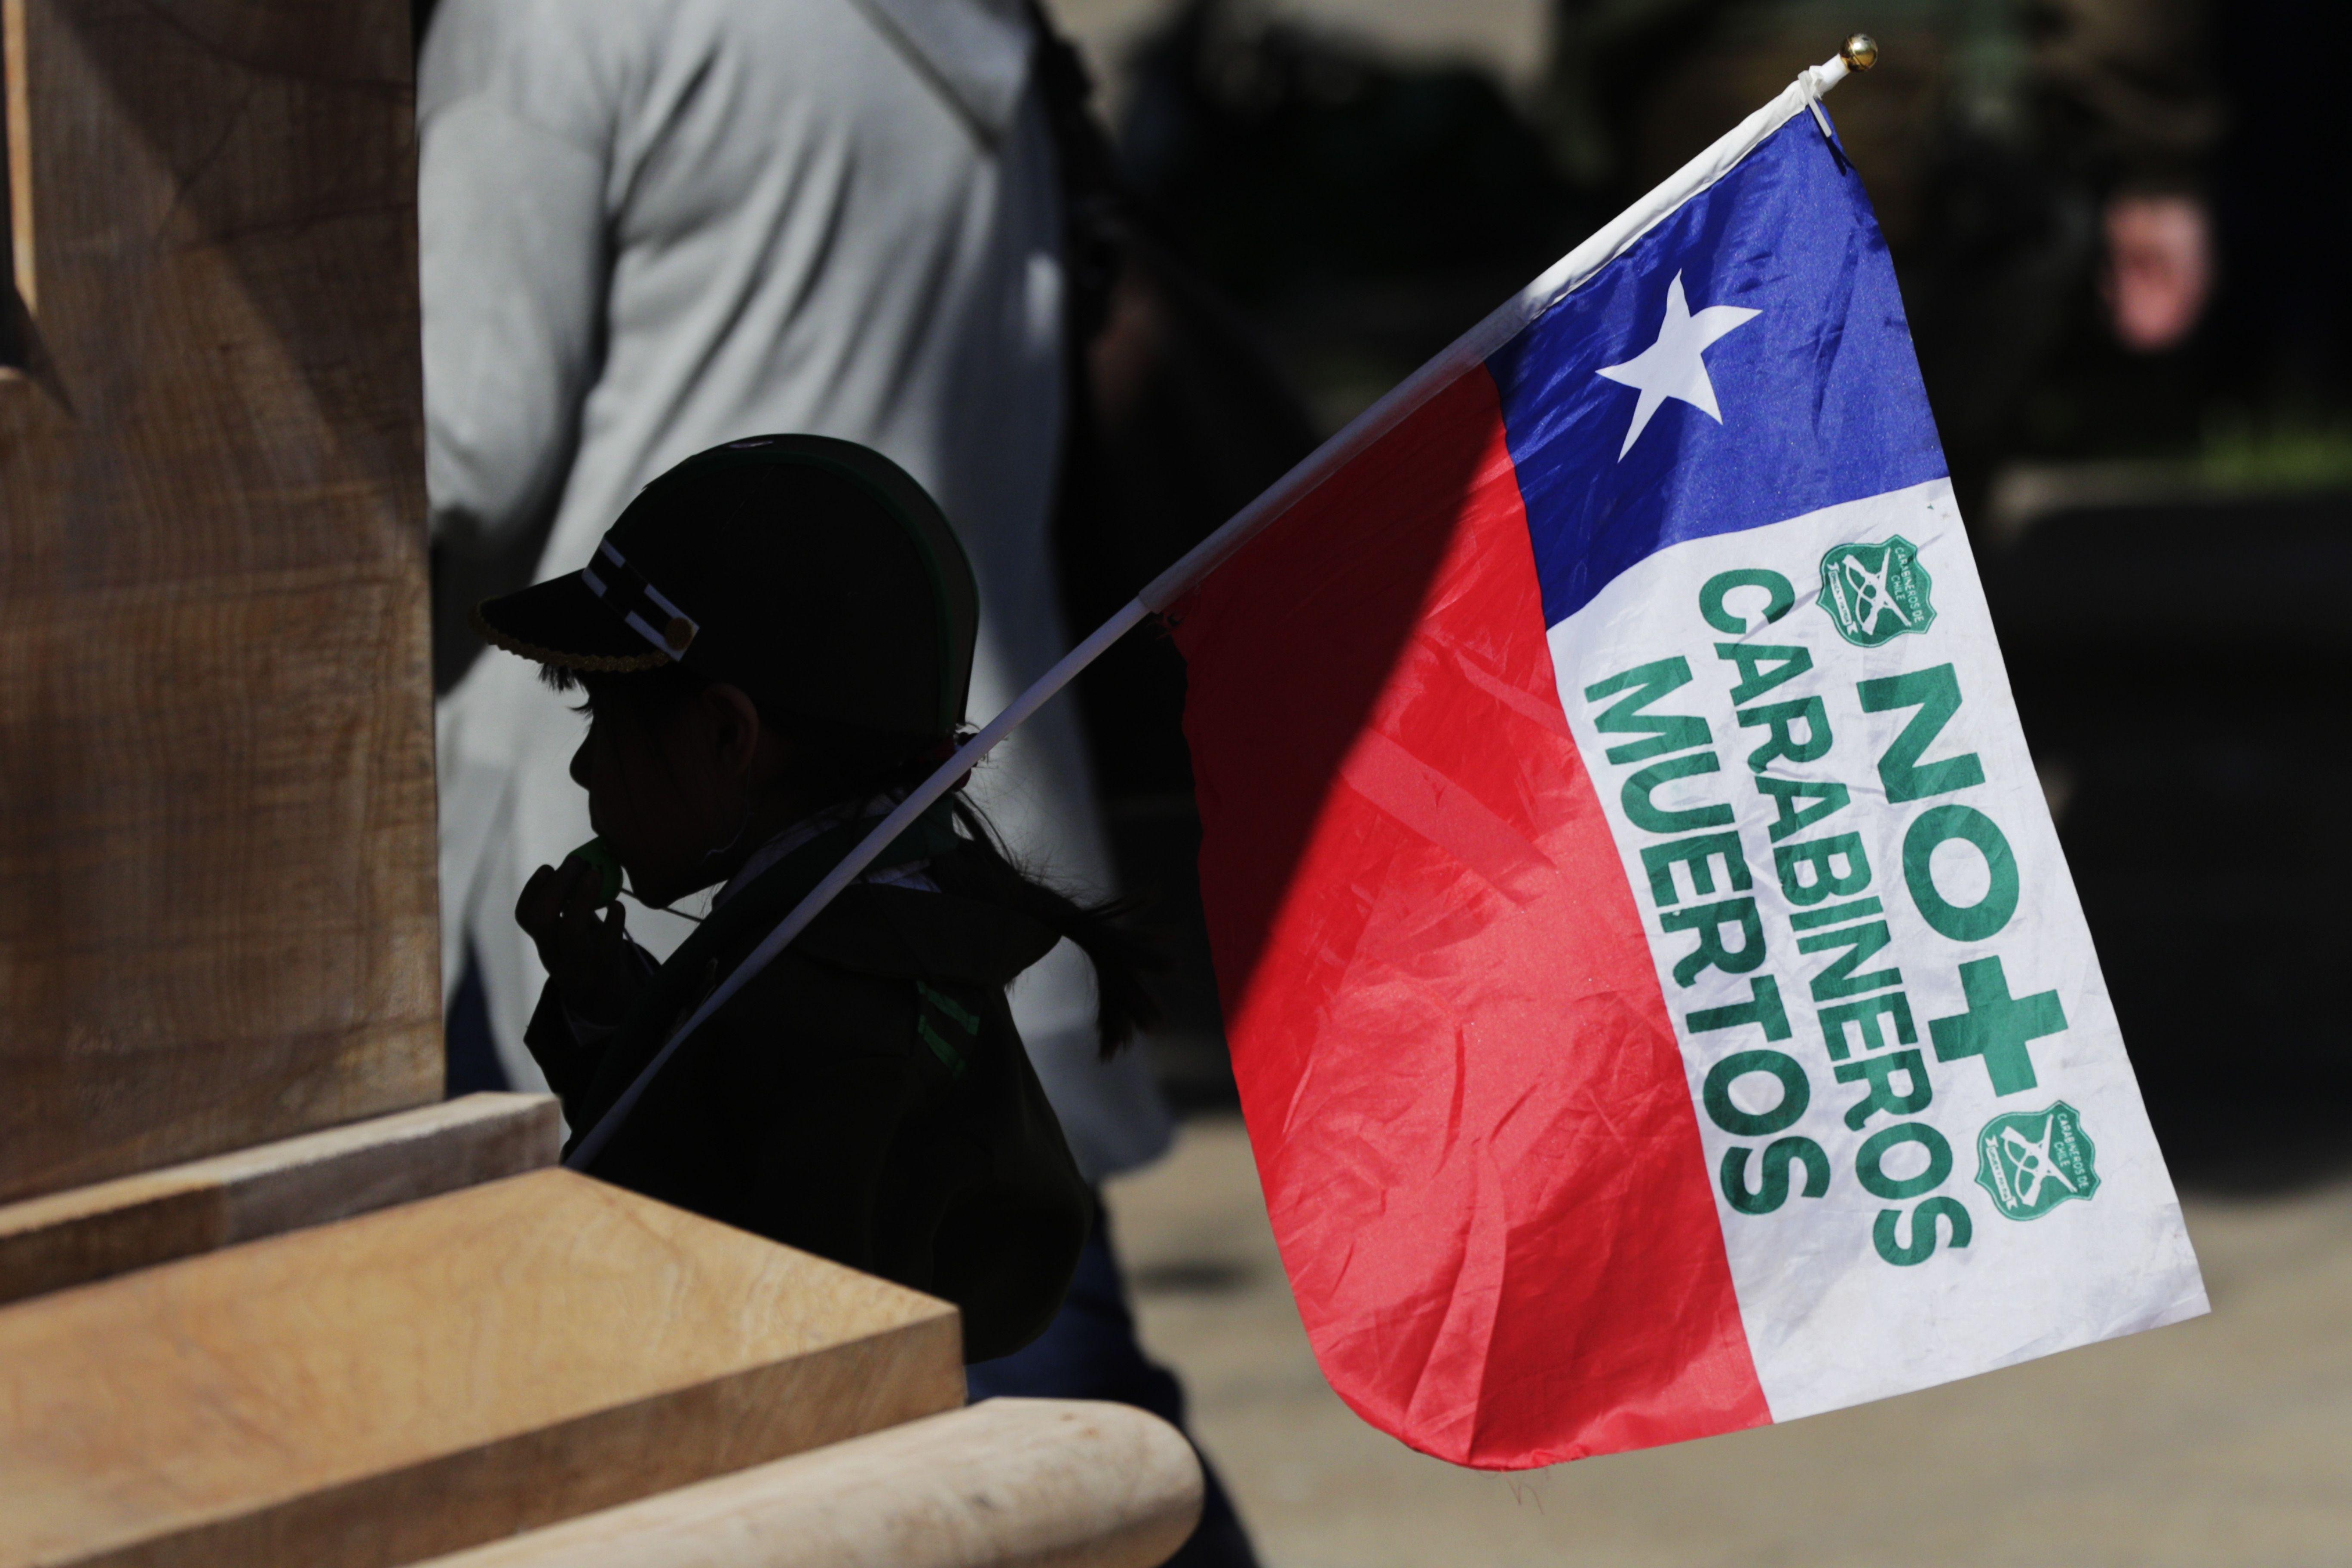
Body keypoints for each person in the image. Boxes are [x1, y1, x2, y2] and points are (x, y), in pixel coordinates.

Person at [420, 0, 1172, 1186]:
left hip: (713, 895)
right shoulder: (966, 19)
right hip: (972, 855)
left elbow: (466, 449)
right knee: (1014, 1321)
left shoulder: (553, 17)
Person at [478, 435, 1127, 1360]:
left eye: (602, 714)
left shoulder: (839, 1016)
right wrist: (597, 995)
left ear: (726, 736)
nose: (584, 764)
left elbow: (769, 1328)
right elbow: (702, 1135)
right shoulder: (833, 941)